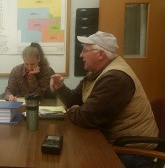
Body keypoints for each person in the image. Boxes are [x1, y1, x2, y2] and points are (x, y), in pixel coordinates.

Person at [50, 31, 159, 167]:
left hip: (133, 152)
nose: (81, 55)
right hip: (113, 142)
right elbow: (75, 101)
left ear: (100, 54)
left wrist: (76, 110)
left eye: (85, 50)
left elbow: (87, 118)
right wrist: (60, 87)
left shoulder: (115, 78)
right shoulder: (95, 73)